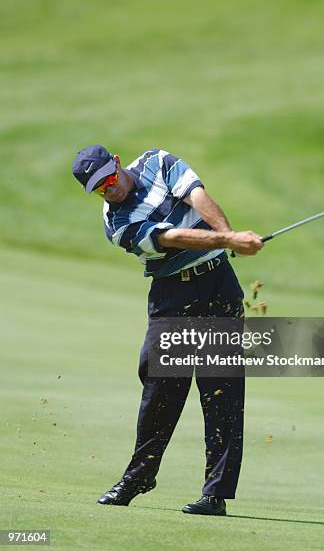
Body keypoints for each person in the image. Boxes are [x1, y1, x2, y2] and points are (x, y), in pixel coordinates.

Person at [72, 145, 263, 516]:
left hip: (218, 285)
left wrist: (230, 236)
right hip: (173, 295)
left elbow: (196, 194)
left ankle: (215, 494)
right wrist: (227, 240)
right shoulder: (117, 223)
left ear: (116, 163)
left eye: (109, 180)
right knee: (161, 389)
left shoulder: (156, 162)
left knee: (221, 390)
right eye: (99, 189)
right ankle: (139, 476)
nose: (109, 190)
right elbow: (170, 237)